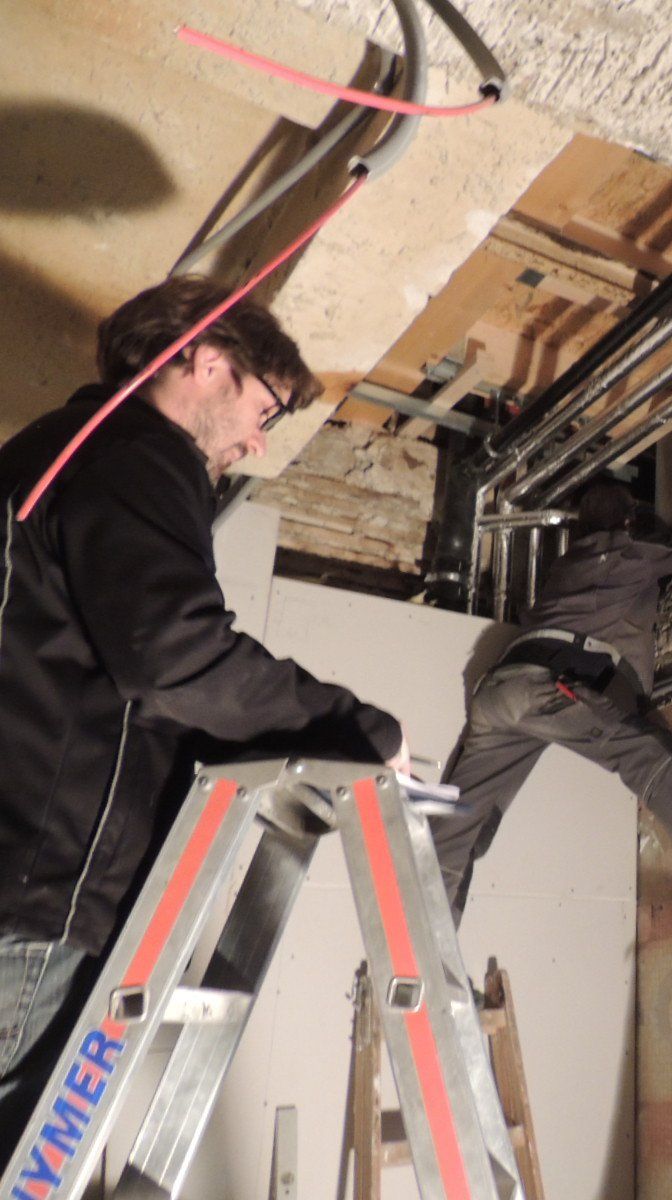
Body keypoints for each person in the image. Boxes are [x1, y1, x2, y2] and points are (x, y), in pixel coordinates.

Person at [0, 277, 408, 1147]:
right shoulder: (136, 455)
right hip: (35, 897)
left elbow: (96, 670)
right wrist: (357, 728)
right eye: (265, 410)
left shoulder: (47, 454)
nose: (258, 441)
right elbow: (173, 654)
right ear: (208, 360)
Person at [430, 479, 672, 926]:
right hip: (546, 683)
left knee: (464, 822)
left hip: (498, 695)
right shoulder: (621, 553)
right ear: (628, 520)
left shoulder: (566, 566)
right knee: (645, 754)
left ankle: (432, 926)